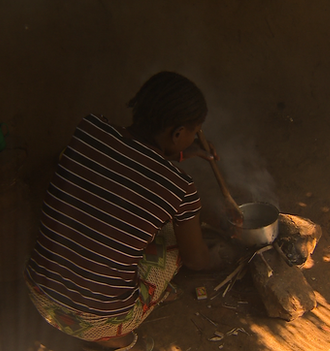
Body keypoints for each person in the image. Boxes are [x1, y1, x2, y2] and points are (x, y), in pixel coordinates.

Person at [24, 71, 223, 351]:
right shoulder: (179, 187)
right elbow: (196, 260)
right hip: (98, 319)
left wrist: (181, 153)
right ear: (178, 133)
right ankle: (116, 338)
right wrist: (218, 259)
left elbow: (132, 158)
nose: (193, 140)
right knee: (175, 237)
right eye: (192, 133)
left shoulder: (89, 129)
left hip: (40, 294)